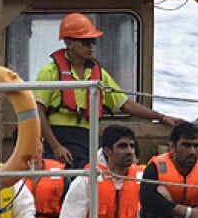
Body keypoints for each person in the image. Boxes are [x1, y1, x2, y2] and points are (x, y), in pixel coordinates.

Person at [34, 12, 181, 167]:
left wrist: (161, 117)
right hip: (58, 138)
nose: (91, 46)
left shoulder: (99, 74)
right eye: (86, 41)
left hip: (88, 138)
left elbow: (125, 104)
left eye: (93, 41)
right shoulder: (49, 72)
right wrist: (56, 146)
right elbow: (38, 111)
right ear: (68, 43)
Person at [50, 124, 143, 218]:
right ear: (107, 151)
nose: (129, 151)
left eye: (131, 146)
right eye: (122, 146)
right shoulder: (87, 179)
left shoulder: (143, 178)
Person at [24, 140, 65, 218]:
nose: (34, 157)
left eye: (37, 151)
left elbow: (70, 214)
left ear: (42, 149)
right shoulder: (9, 177)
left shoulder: (62, 175)